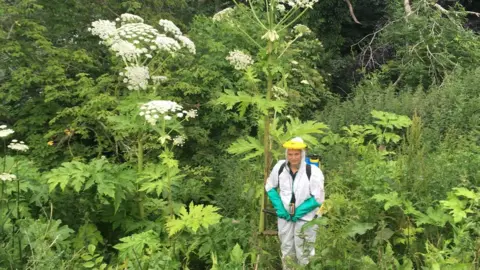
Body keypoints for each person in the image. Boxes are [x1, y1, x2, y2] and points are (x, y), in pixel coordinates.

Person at [265, 137, 325, 268]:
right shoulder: (280, 167)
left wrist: (299, 212)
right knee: (286, 248)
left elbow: (318, 197)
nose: (293, 158)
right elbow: (270, 187)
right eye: (290, 154)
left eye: (296, 154)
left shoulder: (313, 172)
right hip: (285, 216)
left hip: (306, 218)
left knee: (305, 250)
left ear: (302, 154)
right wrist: (280, 208)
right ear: (286, 154)